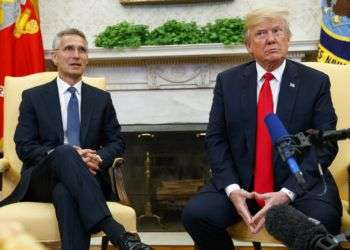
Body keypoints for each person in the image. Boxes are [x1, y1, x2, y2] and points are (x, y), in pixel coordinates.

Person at [182, 8, 342, 250]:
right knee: (196, 215)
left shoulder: (314, 81)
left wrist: (287, 192)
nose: (271, 39)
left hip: (300, 183)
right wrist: (232, 189)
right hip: (243, 183)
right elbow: (216, 139)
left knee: (323, 222)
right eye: (261, 33)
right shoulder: (228, 81)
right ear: (249, 46)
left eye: (277, 31)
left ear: (287, 39)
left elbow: (325, 144)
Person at [0, 28, 153, 250]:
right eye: (69, 49)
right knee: (64, 151)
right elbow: (25, 146)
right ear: (55, 57)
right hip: (41, 179)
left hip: (88, 177)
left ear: (87, 58)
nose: (76, 55)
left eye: (82, 50)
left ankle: (121, 237)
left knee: (65, 192)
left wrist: (97, 158)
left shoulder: (101, 99)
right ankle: (116, 232)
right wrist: (69, 156)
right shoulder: (34, 97)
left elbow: (116, 142)